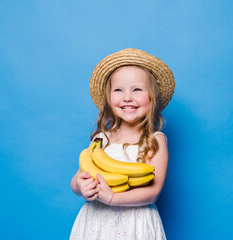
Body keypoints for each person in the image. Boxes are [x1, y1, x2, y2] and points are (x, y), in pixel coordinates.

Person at [69, 48, 175, 240]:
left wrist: (112, 198)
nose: (127, 97)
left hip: (136, 223)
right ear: (109, 98)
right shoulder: (100, 139)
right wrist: (80, 186)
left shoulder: (155, 140)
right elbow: (78, 178)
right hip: (97, 221)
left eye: (137, 89)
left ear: (152, 97)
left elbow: (153, 192)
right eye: (118, 90)